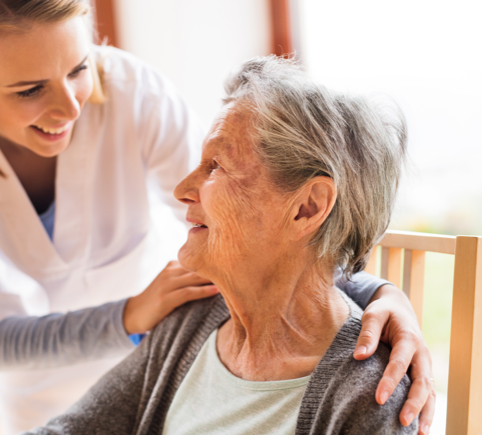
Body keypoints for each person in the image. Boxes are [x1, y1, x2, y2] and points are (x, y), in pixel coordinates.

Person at [0, 1, 433, 434]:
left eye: (80, 68)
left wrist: (379, 293)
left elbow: (266, 225)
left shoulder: (132, 94)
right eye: (30, 89)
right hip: (76, 375)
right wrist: (132, 318)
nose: (71, 107)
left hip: (168, 330)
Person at [23, 56, 418, 435]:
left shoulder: (371, 396)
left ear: (306, 207)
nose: (181, 190)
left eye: (216, 167)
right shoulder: (191, 318)